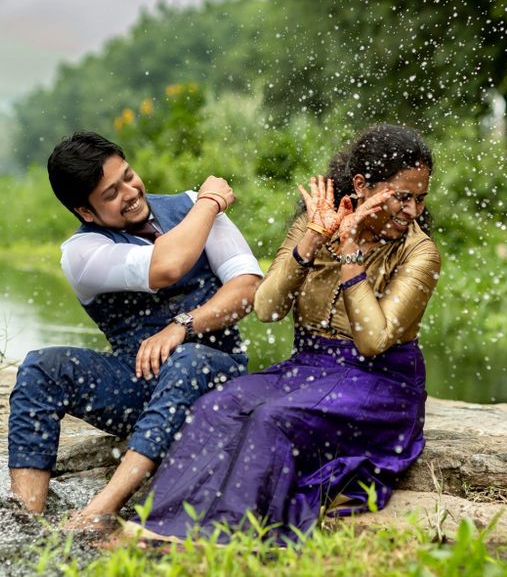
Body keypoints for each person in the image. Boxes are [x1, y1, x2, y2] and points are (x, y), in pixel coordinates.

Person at [132, 123, 441, 544]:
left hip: (380, 384)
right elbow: (266, 308)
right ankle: (159, 528)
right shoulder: (314, 226)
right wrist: (314, 239)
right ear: (361, 185)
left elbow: (372, 342)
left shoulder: (420, 252)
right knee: (215, 408)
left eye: (419, 199)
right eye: (402, 197)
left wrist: (350, 254)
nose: (412, 212)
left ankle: (228, 540)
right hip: (308, 367)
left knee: (273, 420)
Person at [7, 132, 263, 531]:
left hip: (217, 373)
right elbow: (167, 266)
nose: (130, 192)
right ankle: (26, 519)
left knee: (189, 357)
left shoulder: (191, 207)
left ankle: (102, 507)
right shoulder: (81, 253)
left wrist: (184, 325)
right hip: (137, 384)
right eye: (111, 193)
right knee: (41, 367)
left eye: (128, 175)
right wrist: (211, 202)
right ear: (85, 211)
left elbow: (248, 289)